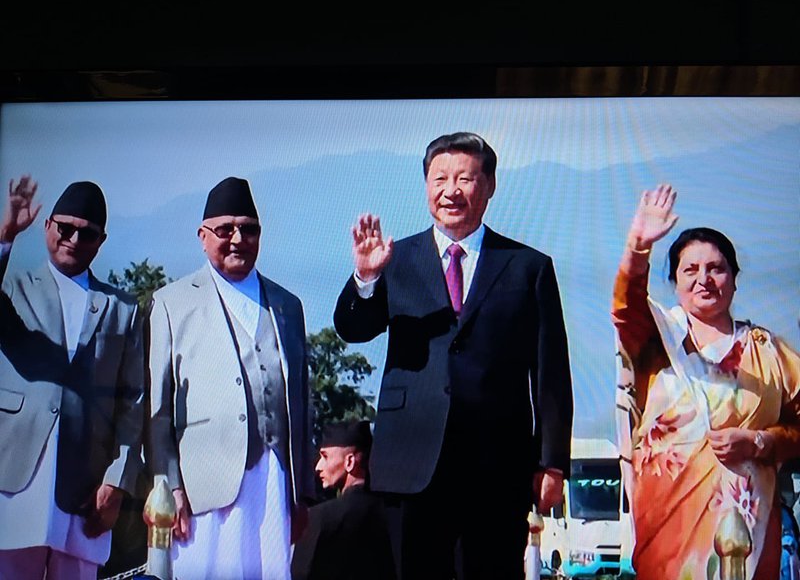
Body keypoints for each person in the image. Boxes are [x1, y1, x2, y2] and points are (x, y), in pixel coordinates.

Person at [333, 132, 573, 579]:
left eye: (464, 178)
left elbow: (551, 375)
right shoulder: (394, 259)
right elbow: (352, 329)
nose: (451, 191)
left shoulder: (527, 266)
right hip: (409, 464)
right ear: (425, 186)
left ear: (489, 185)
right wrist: (365, 278)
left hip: (496, 467)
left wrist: (552, 462)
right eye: (439, 178)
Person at [612, 184, 800, 579]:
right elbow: (626, 305)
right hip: (668, 530)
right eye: (690, 270)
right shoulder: (657, 337)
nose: (704, 279)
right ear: (675, 281)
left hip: (750, 531)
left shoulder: (771, 353)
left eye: (716, 268)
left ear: (734, 278)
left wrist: (761, 442)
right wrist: (638, 246)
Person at [147, 176, 314, 579]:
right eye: (225, 230)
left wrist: (304, 493)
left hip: (275, 480)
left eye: (249, 229)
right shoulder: (173, 302)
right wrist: (170, 487)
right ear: (203, 236)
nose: (238, 238)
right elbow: (156, 408)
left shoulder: (288, 305)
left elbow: (304, 403)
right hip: (204, 485)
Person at [0, 176, 144, 579]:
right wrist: (6, 234)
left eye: (87, 233)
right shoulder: (14, 286)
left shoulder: (122, 308)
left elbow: (134, 400)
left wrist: (117, 482)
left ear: (101, 241)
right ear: (47, 226)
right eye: (65, 228)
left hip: (85, 486)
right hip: (13, 474)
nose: (74, 239)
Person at [291, 420, 396, 580]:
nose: (318, 466)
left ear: (350, 462)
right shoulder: (394, 517)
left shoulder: (320, 518)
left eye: (325, 456)